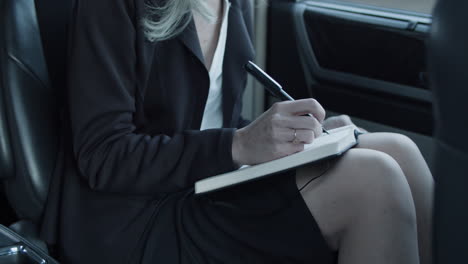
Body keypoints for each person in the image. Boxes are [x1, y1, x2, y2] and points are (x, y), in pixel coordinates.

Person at [40, 0, 434, 263]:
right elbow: (104, 156)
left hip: (203, 185)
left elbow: (206, 122)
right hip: (131, 216)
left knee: (401, 153)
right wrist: (241, 143)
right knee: (373, 181)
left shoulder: (233, 3)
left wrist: (301, 135)